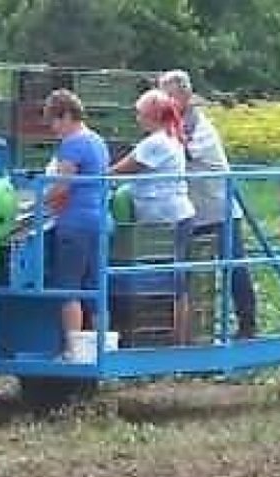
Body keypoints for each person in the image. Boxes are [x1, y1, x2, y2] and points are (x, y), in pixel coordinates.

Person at [158, 69, 257, 338]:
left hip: (218, 208)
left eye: (168, 97)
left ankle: (248, 324)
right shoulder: (175, 125)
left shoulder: (198, 126)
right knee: (185, 270)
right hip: (195, 211)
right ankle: (186, 330)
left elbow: (178, 152)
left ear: (184, 96)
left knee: (234, 267)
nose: (163, 104)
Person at [109, 88, 196, 344]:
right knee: (174, 278)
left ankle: (177, 341)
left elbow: (121, 169)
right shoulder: (169, 138)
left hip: (167, 218)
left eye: (139, 113)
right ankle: (174, 339)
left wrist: (94, 176)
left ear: (152, 115)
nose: (137, 118)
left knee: (174, 280)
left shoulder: (155, 143)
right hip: (172, 216)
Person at [43, 89, 111, 361]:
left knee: (69, 287)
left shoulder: (72, 144)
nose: (53, 128)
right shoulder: (97, 141)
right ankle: (99, 349)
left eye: (55, 121)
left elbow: (61, 187)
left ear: (68, 116)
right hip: (99, 220)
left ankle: (72, 350)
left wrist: (33, 203)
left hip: (75, 223)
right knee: (96, 286)